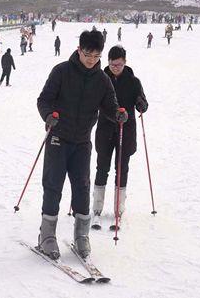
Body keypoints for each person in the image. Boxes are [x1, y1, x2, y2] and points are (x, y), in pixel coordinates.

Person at [35, 30, 126, 260]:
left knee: (82, 188)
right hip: (58, 138)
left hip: (82, 141)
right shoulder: (61, 71)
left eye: (96, 56)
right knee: (53, 185)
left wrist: (117, 113)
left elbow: (109, 105)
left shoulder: (102, 80)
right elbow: (44, 99)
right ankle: (46, 235)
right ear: (79, 49)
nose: (91, 60)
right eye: (88, 54)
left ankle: (81, 236)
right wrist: (48, 116)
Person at [91, 46, 148, 230]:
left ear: (125, 62)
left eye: (119, 64)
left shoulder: (133, 81)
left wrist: (140, 104)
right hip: (105, 129)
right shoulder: (100, 79)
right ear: (107, 62)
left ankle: (119, 209)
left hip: (126, 131)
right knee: (102, 168)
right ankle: (97, 209)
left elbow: (143, 102)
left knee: (122, 169)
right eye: (113, 64)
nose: (116, 67)